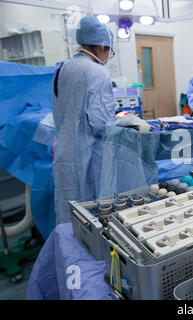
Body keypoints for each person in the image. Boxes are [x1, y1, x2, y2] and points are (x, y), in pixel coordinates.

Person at [52, 15, 116, 224]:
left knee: (68, 208)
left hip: (64, 149)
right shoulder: (98, 72)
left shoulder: (62, 68)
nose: (107, 55)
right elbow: (102, 122)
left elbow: (59, 109)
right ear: (102, 46)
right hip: (89, 153)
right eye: (108, 50)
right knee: (91, 213)